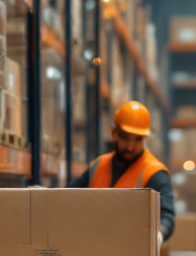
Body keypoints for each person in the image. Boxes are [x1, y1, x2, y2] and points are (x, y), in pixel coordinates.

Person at [68, 100, 175, 242]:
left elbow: (167, 215)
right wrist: (45, 195)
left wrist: (158, 234)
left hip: (131, 254)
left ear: (145, 139)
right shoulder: (98, 165)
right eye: (125, 138)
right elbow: (67, 195)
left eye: (137, 140)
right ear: (114, 133)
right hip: (93, 246)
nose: (130, 147)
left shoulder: (154, 173)